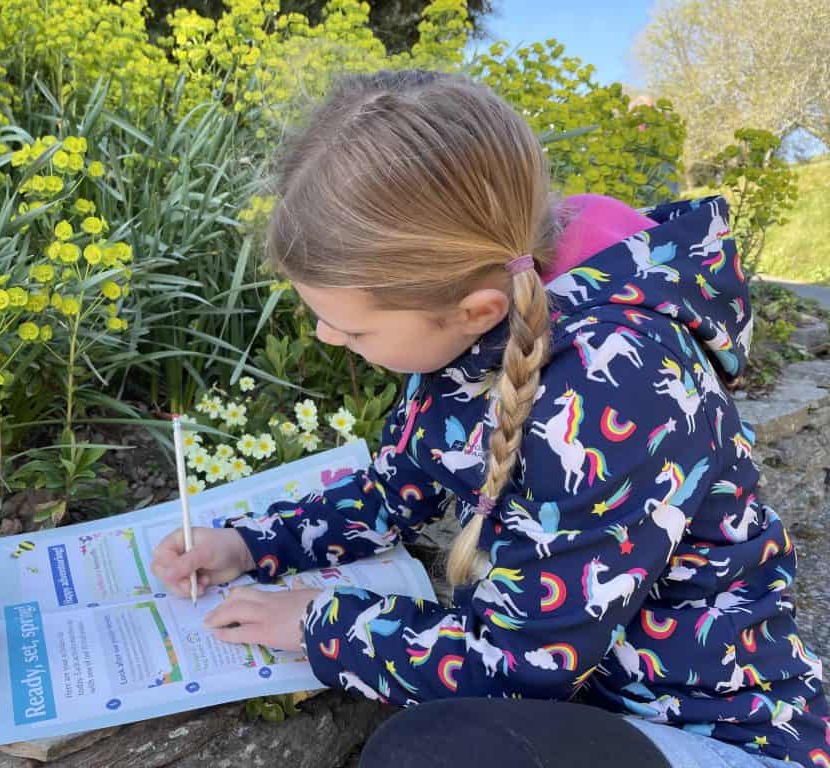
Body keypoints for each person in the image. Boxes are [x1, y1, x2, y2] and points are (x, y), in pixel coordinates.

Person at [150, 69, 828, 767]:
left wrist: (327, 627)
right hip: (594, 707)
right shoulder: (484, 321)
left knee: (429, 753)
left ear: (475, 310)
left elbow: (526, 666)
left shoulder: (620, 393)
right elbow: (395, 487)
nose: (326, 339)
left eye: (352, 332)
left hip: (712, 732)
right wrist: (248, 547)